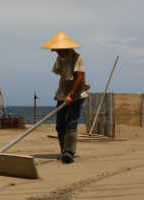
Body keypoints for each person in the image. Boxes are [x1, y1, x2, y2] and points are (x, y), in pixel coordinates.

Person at [41, 32, 89, 164]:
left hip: (76, 96)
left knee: (71, 122)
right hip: (62, 94)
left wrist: (71, 95)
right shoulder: (59, 59)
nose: (56, 53)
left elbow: (80, 77)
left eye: (58, 50)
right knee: (60, 124)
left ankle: (69, 152)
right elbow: (62, 75)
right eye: (55, 51)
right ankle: (63, 150)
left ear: (65, 48)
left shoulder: (77, 58)